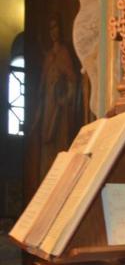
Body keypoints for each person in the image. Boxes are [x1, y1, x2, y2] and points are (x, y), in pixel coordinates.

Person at [38, 14, 79, 177]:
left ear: (60, 30)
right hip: (48, 105)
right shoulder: (48, 56)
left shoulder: (64, 53)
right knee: (47, 144)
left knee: (60, 142)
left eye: (56, 27)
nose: (53, 31)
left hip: (60, 108)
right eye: (51, 28)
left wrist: (66, 98)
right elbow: (42, 85)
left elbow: (72, 80)